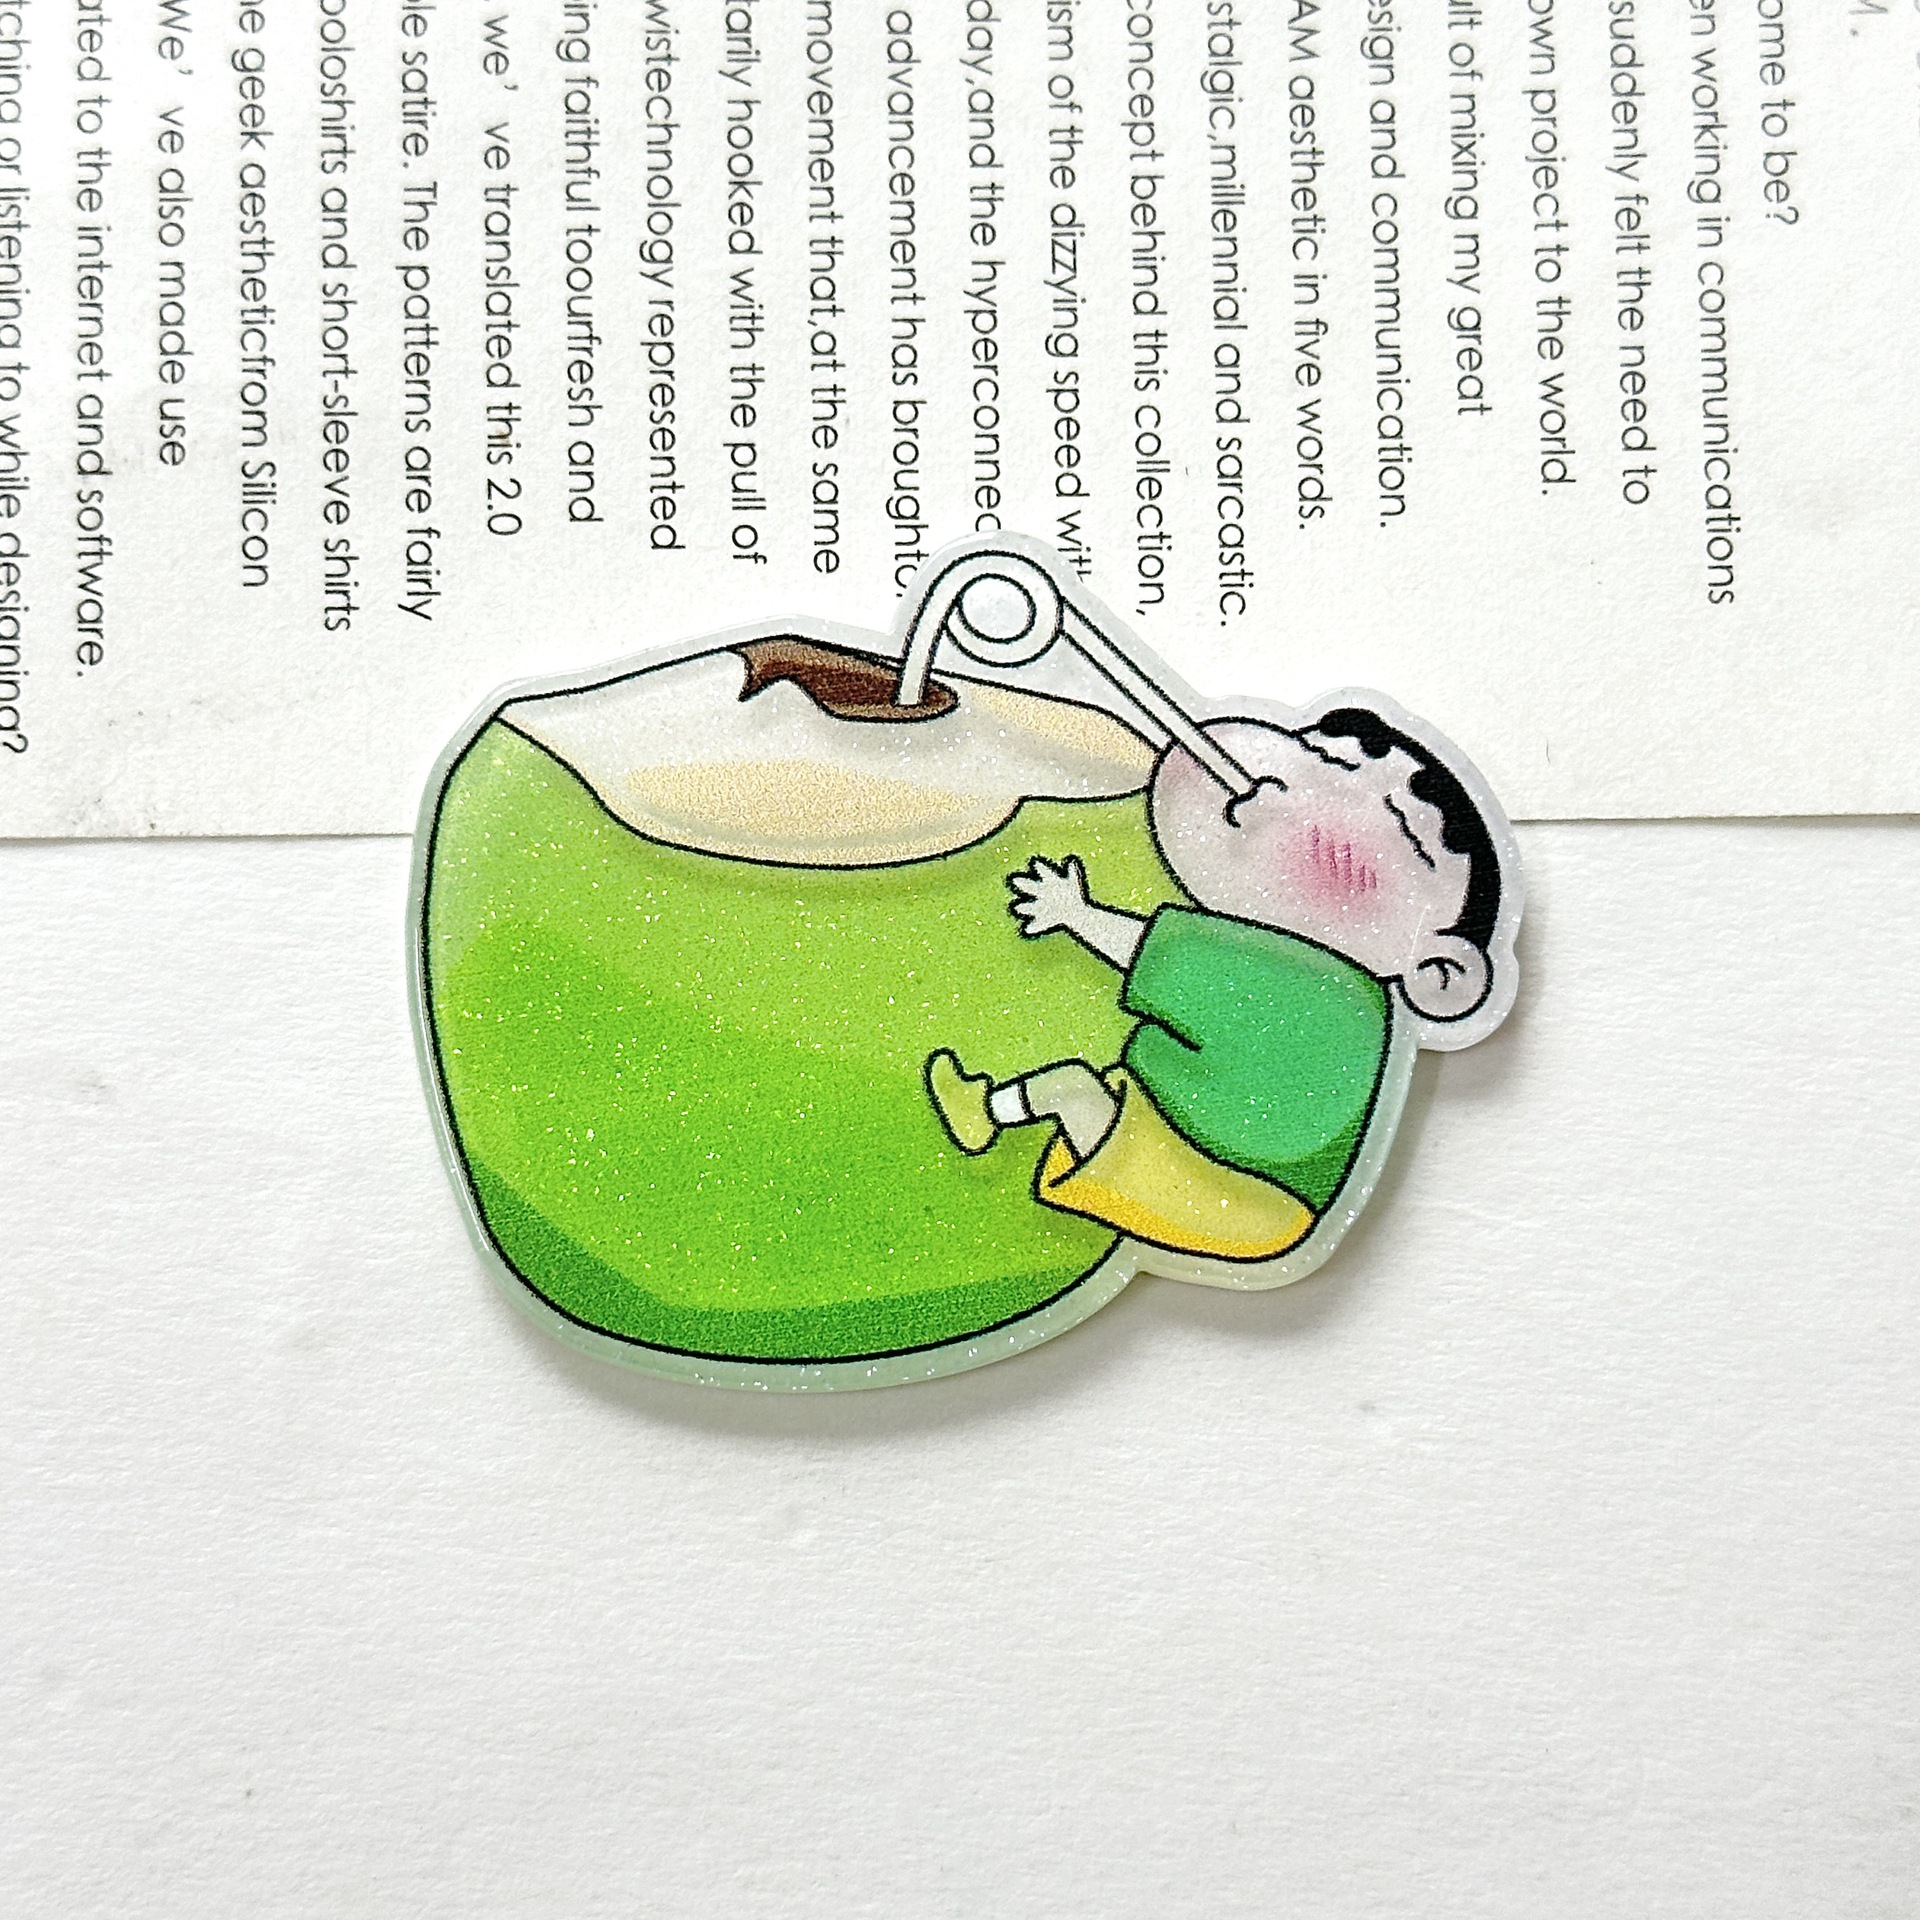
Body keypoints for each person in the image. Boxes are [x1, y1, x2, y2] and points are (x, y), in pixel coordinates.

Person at [925, 708, 1510, 1262]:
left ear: (1442, 972)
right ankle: (984, 1113)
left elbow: (1166, 959)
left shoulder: (1314, 982)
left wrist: (1075, 913)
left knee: (1073, 1089)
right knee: (1076, 1090)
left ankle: (983, 1114)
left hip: (1230, 1185)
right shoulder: (1352, 1004)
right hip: (1266, 1196)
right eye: (1322, 763)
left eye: (1404, 828)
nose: (1281, 795)